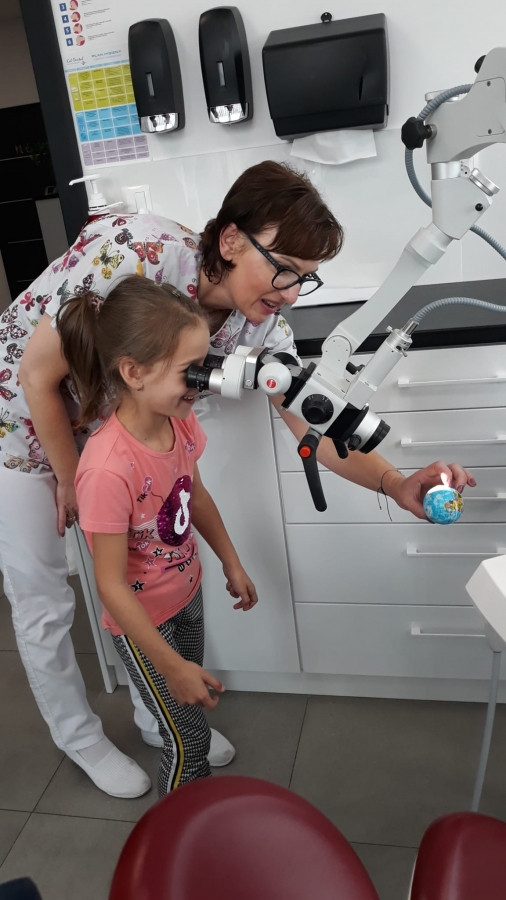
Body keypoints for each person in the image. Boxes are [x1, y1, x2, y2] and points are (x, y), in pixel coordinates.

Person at [0, 161, 474, 795]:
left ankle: (161, 720)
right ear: (230, 240)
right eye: (285, 270)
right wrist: (67, 477)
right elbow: (37, 376)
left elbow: (310, 425)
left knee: (143, 578)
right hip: (21, 429)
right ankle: (78, 735)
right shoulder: (136, 253)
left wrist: (395, 482)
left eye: (306, 278)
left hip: (113, 435)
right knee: (45, 601)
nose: (292, 294)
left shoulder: (261, 325)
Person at [58, 276, 257, 793]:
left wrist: (231, 561)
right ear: (134, 372)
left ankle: (189, 774)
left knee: (188, 709)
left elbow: (198, 497)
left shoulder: (179, 421)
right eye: (190, 370)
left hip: (187, 592)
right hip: (143, 623)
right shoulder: (107, 468)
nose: (202, 381)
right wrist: (169, 666)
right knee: (187, 741)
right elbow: (109, 585)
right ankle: (183, 830)